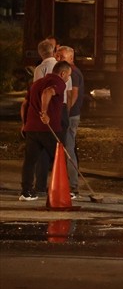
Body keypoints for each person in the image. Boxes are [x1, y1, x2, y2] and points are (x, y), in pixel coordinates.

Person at [19, 60, 72, 201]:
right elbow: (48, 92)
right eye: (68, 75)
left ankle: (26, 192)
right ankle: (60, 191)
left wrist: (24, 123)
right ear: (62, 73)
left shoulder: (36, 83)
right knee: (58, 160)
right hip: (49, 128)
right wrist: (44, 112)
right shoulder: (59, 82)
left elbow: (25, 104)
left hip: (32, 128)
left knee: (30, 161)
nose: (68, 78)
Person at [55, 45, 84, 197]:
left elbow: (73, 95)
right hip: (70, 115)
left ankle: (73, 186)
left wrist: (64, 115)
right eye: (57, 56)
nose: (58, 59)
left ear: (71, 58)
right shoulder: (67, 71)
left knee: (69, 149)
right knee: (68, 148)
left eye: (62, 57)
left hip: (70, 116)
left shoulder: (72, 73)